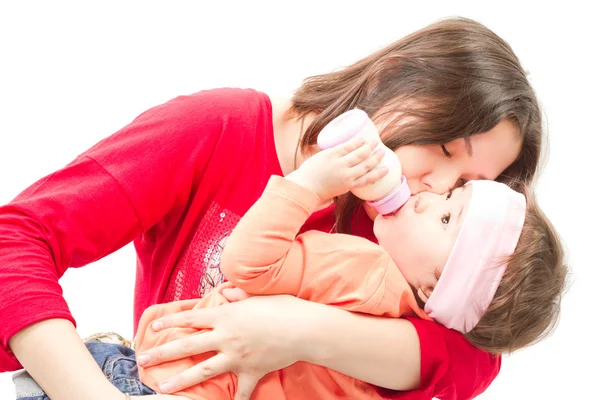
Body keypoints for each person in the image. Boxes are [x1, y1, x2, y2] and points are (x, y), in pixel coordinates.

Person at [0, 17, 554, 400]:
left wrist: (296, 330)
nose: (435, 187)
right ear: (398, 77)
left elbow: (473, 357)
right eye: (444, 148)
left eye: (466, 184)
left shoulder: (405, 240)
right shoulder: (220, 130)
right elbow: (16, 241)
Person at [128, 135, 565, 400]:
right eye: (455, 195)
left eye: (447, 217)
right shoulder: (391, 354)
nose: (433, 192)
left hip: (157, 381)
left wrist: (310, 185)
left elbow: (246, 264)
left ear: (435, 291)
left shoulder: (365, 268)